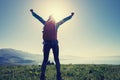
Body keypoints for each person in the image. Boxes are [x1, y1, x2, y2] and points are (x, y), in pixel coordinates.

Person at [30, 9, 74, 80]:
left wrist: (32, 13)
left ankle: (42, 76)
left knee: (45, 60)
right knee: (56, 59)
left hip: (46, 43)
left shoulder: (45, 23)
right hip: (54, 43)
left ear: (48, 18)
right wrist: (70, 16)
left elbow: (39, 18)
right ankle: (58, 76)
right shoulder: (56, 24)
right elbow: (64, 20)